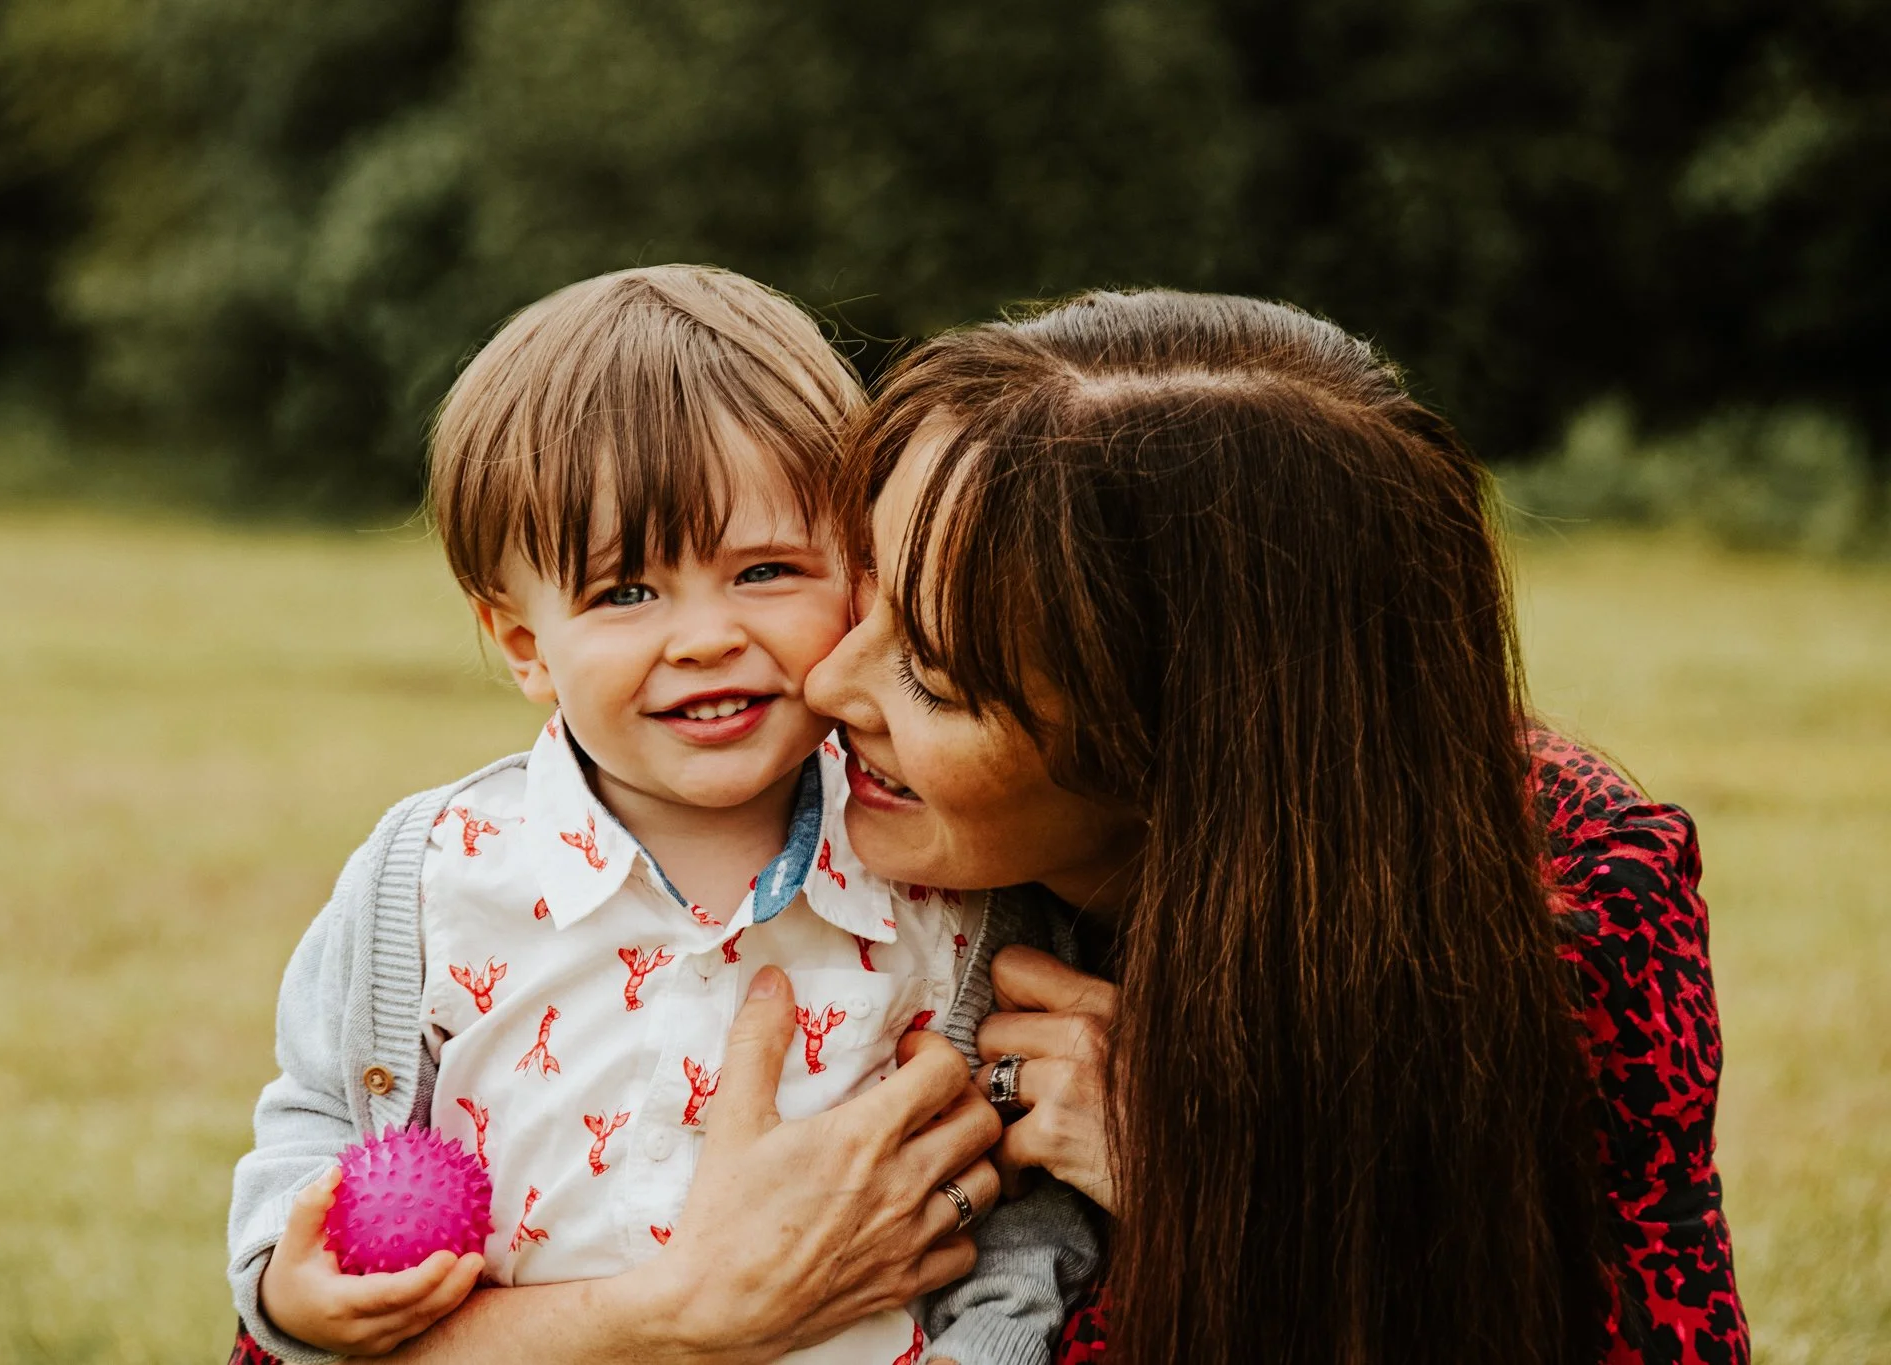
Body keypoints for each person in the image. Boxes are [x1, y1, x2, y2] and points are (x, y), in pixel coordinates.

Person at [803, 289, 1749, 1364]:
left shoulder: (1569, 899)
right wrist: (681, 1311)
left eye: (932, 677)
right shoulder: (766, 823)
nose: (824, 682)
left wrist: (1217, 1196)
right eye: (860, 588)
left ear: (1182, 751)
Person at [224, 266, 1095, 1364]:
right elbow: (318, 1116)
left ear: (857, 578)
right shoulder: (435, 878)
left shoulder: (947, 875)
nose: (703, 637)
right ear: (522, 646)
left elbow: (1023, 1213)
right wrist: (288, 1286)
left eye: (766, 570)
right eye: (625, 592)